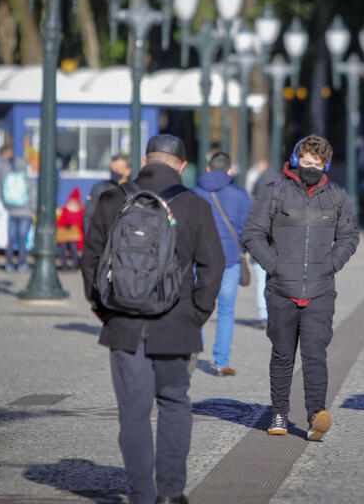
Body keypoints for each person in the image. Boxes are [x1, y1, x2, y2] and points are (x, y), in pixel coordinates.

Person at [81, 134, 225, 504]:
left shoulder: (114, 198)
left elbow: (91, 260)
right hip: (175, 325)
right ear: (180, 165)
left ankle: (141, 495)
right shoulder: (194, 205)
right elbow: (213, 266)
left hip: (124, 325)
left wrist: (107, 311)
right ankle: (171, 494)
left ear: (145, 159)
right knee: (175, 403)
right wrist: (195, 315)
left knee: (134, 412)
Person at [243, 134, 359, 440]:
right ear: (295, 160)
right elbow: (252, 233)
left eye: (317, 163)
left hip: (320, 290)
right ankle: (279, 414)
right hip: (281, 289)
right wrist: (275, 265)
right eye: (306, 161)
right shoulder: (274, 192)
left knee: (315, 355)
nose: (311, 167)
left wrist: (332, 263)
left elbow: (349, 236)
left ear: (326, 165)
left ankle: (315, 416)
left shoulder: (335, 195)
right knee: (282, 355)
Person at [192, 152, 252, 376]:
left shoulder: (194, 193)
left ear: (208, 169)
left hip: (200, 259)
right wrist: (242, 251)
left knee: (197, 306)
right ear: (229, 171)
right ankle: (221, 362)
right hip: (229, 259)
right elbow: (247, 230)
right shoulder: (240, 195)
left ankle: (191, 354)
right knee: (226, 311)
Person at [250, 160, 281, 329]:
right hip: (275, 246)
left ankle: (264, 314)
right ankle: (271, 314)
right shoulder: (283, 197)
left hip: (262, 244)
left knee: (261, 278)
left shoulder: (258, 202)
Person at [83, 154, 131, 235]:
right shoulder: (100, 188)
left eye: (117, 170)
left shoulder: (132, 190)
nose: (114, 173)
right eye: (112, 170)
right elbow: (89, 215)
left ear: (128, 171)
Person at [3, 157, 36, 273]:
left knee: (11, 239)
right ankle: (22, 264)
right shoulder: (28, 181)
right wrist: (33, 210)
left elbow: (4, 196)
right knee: (23, 239)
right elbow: (33, 197)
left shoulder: (10, 179)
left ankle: (9, 264)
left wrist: (9, 208)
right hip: (25, 213)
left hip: (12, 212)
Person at [56, 187, 85, 271]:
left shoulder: (81, 211)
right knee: (62, 244)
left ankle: (75, 264)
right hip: (65, 234)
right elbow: (59, 223)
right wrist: (65, 226)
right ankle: (64, 264)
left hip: (76, 235)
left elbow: (81, 224)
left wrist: (74, 226)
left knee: (73, 244)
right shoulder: (64, 210)